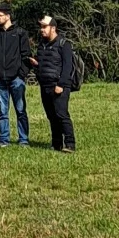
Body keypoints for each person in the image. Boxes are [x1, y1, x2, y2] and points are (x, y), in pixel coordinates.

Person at [0, 3, 32, 147]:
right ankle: (4, 138)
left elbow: (26, 55)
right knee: (3, 111)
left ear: (7, 16)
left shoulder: (20, 33)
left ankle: (23, 139)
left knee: (20, 110)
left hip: (16, 79)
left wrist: (21, 74)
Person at [34, 14, 78, 153]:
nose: (42, 30)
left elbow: (67, 67)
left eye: (44, 27)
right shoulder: (42, 44)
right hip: (44, 85)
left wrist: (62, 84)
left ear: (53, 28)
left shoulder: (64, 44)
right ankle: (56, 143)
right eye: (41, 27)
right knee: (51, 116)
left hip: (58, 85)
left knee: (61, 115)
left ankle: (70, 143)